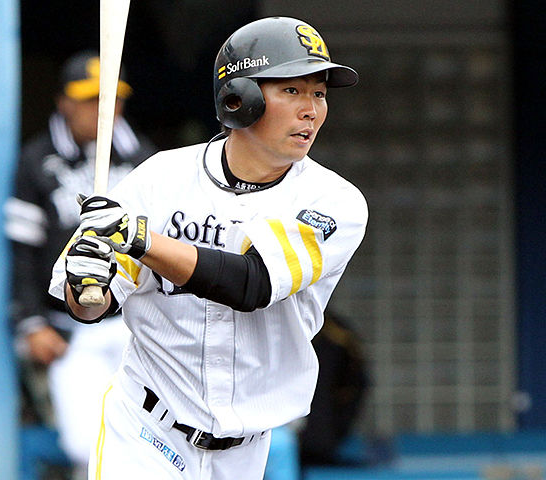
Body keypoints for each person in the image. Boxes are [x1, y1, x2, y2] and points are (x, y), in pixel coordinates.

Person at [49, 17, 368, 480]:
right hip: (145, 431)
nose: (311, 110)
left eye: (318, 94)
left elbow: (251, 283)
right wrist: (85, 282)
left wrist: (141, 239)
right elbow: (92, 306)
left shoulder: (332, 202)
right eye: (292, 90)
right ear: (238, 99)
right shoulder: (158, 179)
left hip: (248, 449)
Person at [4, 51, 156, 478]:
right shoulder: (37, 159)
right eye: (91, 99)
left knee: (149, 438)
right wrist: (30, 323)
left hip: (134, 324)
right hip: (70, 328)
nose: (102, 109)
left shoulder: (144, 156)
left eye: (111, 99)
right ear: (64, 102)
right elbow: (21, 250)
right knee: (83, 443)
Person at [299, 311, 369, 467]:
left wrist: (339, 426)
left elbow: (356, 383)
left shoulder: (338, 334)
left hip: (321, 433)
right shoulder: (279, 325)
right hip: (277, 432)